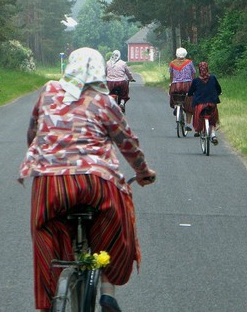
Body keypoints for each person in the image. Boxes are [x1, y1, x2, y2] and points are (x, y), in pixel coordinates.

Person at [18, 47, 157, 312]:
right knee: (117, 225)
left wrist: (40, 159)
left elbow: (32, 132)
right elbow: (128, 143)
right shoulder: (104, 102)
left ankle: (52, 294)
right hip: (97, 182)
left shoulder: (48, 91)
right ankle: (107, 290)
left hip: (51, 184)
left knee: (45, 232)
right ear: (99, 71)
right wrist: (142, 172)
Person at [188, 61, 222, 144]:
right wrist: (217, 94)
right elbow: (219, 89)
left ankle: (198, 130)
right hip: (212, 104)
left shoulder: (196, 81)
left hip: (200, 105)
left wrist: (190, 94)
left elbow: (190, 92)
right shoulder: (213, 78)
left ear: (199, 69)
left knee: (198, 115)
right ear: (207, 69)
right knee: (212, 119)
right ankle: (213, 134)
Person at [168, 47, 195, 131]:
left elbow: (171, 75)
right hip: (187, 85)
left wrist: (171, 83)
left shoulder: (172, 63)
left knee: (173, 95)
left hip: (176, 85)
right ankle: (188, 124)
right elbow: (193, 73)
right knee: (189, 103)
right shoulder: (189, 63)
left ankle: (176, 106)